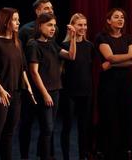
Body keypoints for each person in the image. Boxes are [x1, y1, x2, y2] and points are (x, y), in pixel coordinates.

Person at [25, 13, 76, 160]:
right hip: (44, 92)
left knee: (49, 128)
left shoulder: (52, 43)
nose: (53, 28)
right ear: (40, 25)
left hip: (55, 90)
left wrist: (72, 37)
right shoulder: (33, 44)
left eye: (54, 25)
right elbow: (34, 73)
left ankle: (43, 155)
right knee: (47, 128)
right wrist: (45, 94)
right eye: (49, 25)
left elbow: (71, 56)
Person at [0, 7, 33, 160]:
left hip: (17, 92)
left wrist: (29, 86)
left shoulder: (18, 42)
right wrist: (0, 90)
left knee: (9, 133)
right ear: (6, 22)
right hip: (2, 94)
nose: (18, 22)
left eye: (18, 19)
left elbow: (23, 68)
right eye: (14, 19)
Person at [95, 8, 132, 160]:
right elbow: (110, 57)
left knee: (126, 118)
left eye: (122, 17)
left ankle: (125, 151)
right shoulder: (102, 37)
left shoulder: (128, 38)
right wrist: (128, 57)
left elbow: (131, 63)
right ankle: (108, 152)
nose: (120, 19)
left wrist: (112, 62)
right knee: (109, 118)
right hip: (109, 86)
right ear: (109, 20)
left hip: (126, 85)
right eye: (116, 17)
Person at [18, 0, 56, 159]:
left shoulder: (53, 29)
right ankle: (24, 155)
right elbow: (20, 56)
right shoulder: (26, 30)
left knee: (48, 125)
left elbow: (52, 53)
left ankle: (46, 155)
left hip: (48, 82)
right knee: (26, 122)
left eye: (51, 8)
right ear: (37, 11)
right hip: (30, 83)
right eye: (46, 8)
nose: (50, 10)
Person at [60, 13, 94, 160]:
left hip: (86, 91)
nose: (83, 28)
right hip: (69, 91)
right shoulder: (64, 45)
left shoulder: (89, 46)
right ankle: (66, 156)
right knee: (67, 126)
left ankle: (83, 156)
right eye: (80, 24)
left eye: (85, 25)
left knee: (84, 127)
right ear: (72, 26)